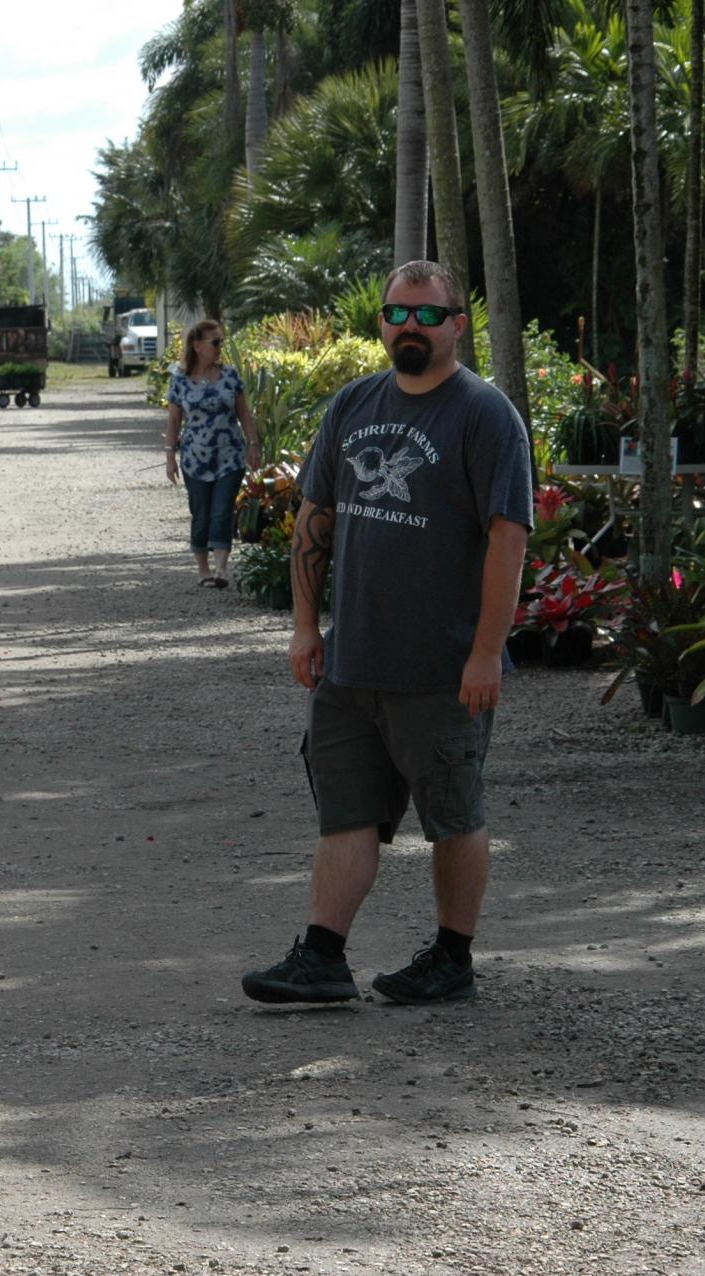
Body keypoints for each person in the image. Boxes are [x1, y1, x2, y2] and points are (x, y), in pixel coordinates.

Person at [240, 260, 530, 1007]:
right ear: (381, 322)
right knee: (347, 812)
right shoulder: (353, 404)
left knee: (453, 816)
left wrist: (486, 652)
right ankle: (322, 957)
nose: (410, 326)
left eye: (427, 315)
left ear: (457, 325)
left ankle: (452, 958)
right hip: (351, 665)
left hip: (441, 668)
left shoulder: (485, 415)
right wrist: (305, 627)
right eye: (397, 312)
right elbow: (316, 516)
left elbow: (508, 538)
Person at [164, 319, 261, 587]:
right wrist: (170, 457)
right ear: (197, 346)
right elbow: (173, 421)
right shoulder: (180, 380)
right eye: (215, 342)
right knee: (201, 512)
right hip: (195, 459)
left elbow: (244, 414)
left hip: (229, 457)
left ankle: (220, 569)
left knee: (222, 510)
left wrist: (253, 444)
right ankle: (203, 569)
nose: (220, 347)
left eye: (221, 342)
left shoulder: (230, 376)